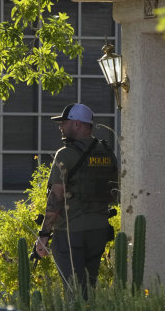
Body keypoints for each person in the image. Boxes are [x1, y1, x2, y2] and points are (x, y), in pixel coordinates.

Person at [35, 103, 118, 298]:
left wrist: (44, 234)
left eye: (65, 123)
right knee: (89, 288)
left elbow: (56, 196)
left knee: (73, 291)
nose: (61, 127)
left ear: (78, 124)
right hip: (99, 231)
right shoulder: (107, 153)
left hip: (70, 232)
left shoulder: (65, 154)